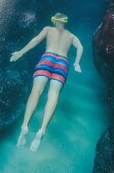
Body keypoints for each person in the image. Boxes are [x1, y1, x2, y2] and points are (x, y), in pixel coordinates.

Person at [10, 13, 83, 151]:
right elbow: (80, 47)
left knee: (36, 91)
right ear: (65, 23)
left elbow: (36, 40)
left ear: (55, 22)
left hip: (47, 58)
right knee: (53, 95)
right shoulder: (71, 36)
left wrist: (21, 52)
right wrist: (76, 63)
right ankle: (42, 130)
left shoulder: (48, 29)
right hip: (62, 61)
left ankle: (25, 126)